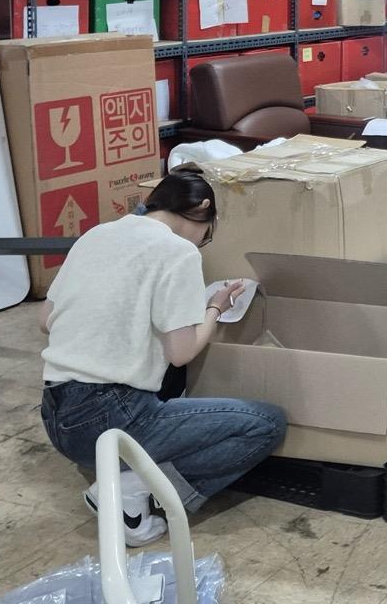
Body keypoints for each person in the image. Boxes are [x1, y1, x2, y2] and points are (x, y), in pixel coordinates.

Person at [39, 167, 287, 546]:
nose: (203, 241)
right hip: (112, 417)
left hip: (57, 416)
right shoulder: (178, 251)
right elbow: (180, 352)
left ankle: (124, 478)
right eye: (208, 232)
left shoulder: (97, 234)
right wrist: (214, 308)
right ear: (203, 209)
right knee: (265, 423)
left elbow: (45, 320)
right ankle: (130, 489)